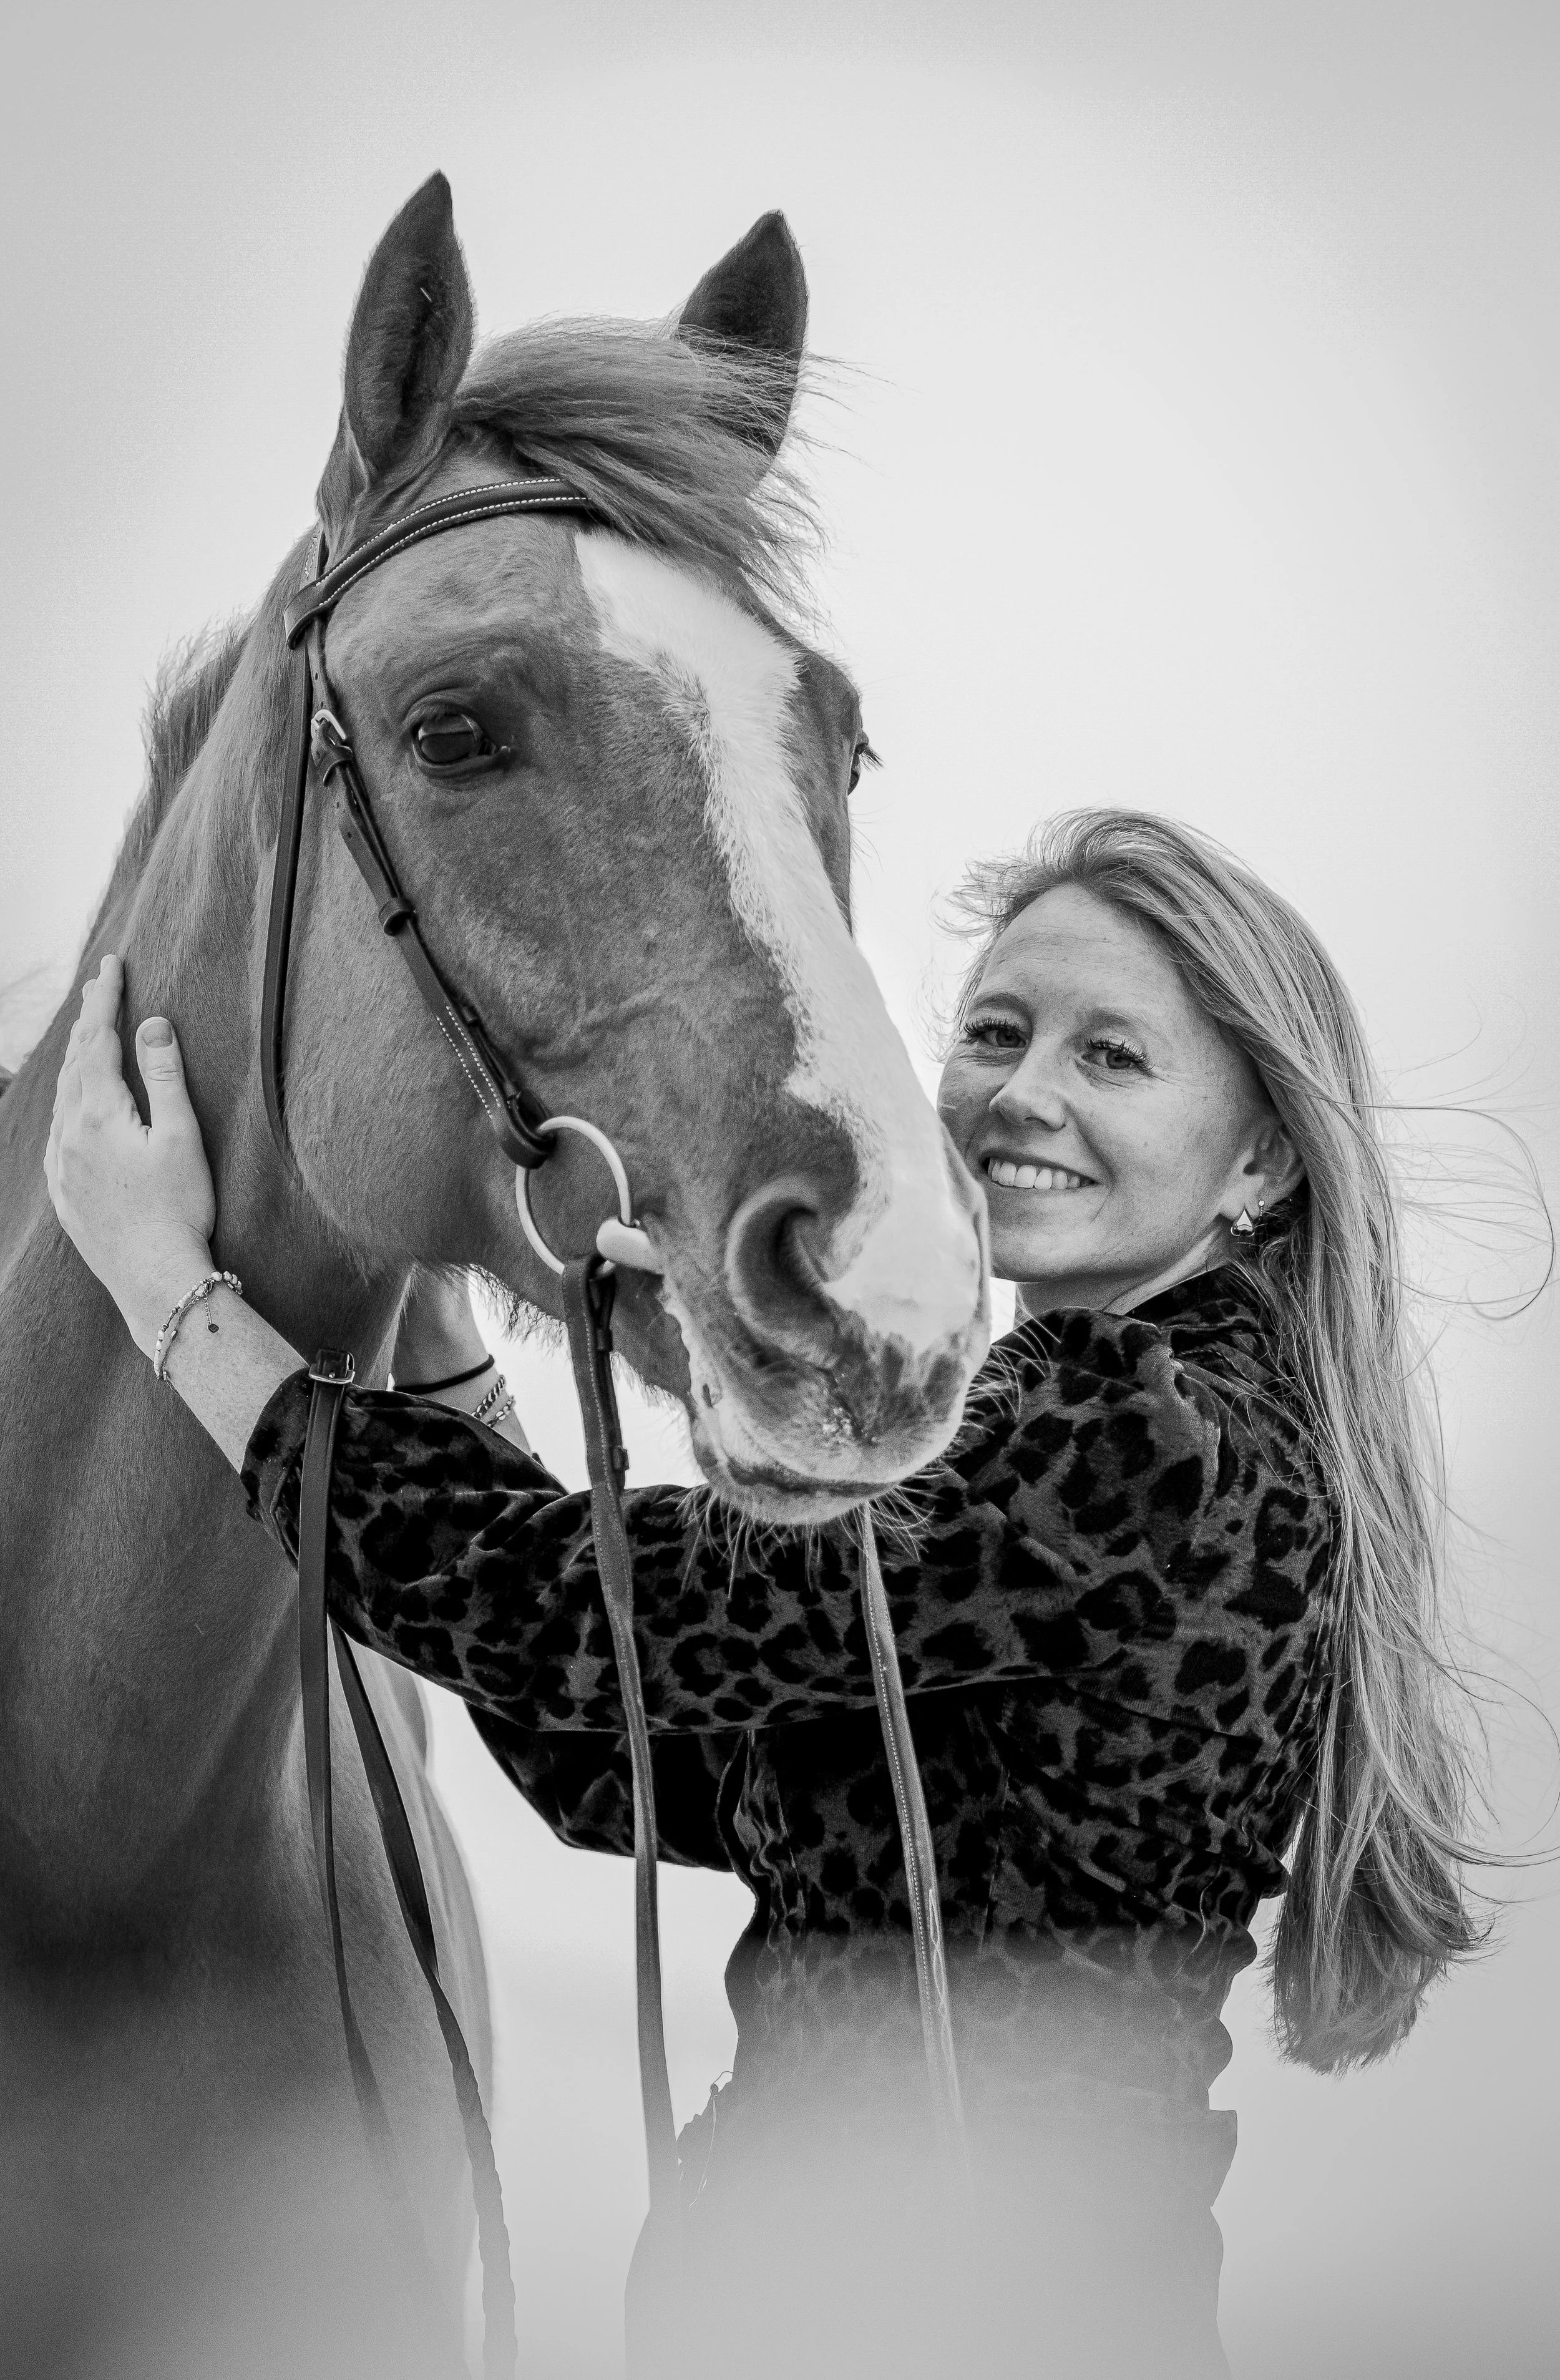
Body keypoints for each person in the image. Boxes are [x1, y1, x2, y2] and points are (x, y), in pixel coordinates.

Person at [46, 808, 1480, 2379]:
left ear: (1261, 1155)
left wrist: (167, 1294)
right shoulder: (1130, 1420)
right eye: (994, 1032)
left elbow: (576, 1624)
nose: (1021, 1093)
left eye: (1111, 1057)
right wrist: (449, 1335)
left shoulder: (1132, 1423)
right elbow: (628, 1763)